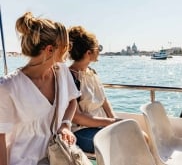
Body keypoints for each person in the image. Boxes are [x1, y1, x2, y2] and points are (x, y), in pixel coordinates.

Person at [0, 12, 81, 165]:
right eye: (65, 47)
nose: (67, 52)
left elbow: (72, 101)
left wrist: (65, 125)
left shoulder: (62, 71)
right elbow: (0, 139)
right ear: (50, 50)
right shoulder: (8, 87)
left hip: (58, 156)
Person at [68, 26, 148, 154]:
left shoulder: (92, 73)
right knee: (133, 140)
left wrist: (115, 121)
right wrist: (111, 122)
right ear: (89, 53)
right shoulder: (69, 77)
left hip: (100, 125)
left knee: (141, 135)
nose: (99, 51)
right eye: (98, 48)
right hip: (81, 131)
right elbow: (77, 118)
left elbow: (104, 102)